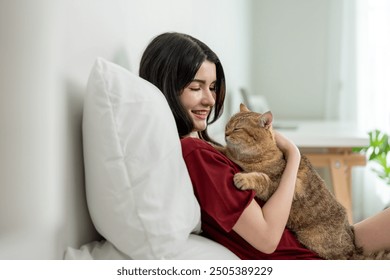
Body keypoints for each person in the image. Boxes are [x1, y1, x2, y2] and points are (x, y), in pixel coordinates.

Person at [139, 32, 390, 259]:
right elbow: (268, 238)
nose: (210, 99)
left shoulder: (200, 148)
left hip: (321, 243)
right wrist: (293, 155)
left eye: (213, 87)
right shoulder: (196, 154)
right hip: (311, 258)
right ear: (168, 88)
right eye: (196, 87)